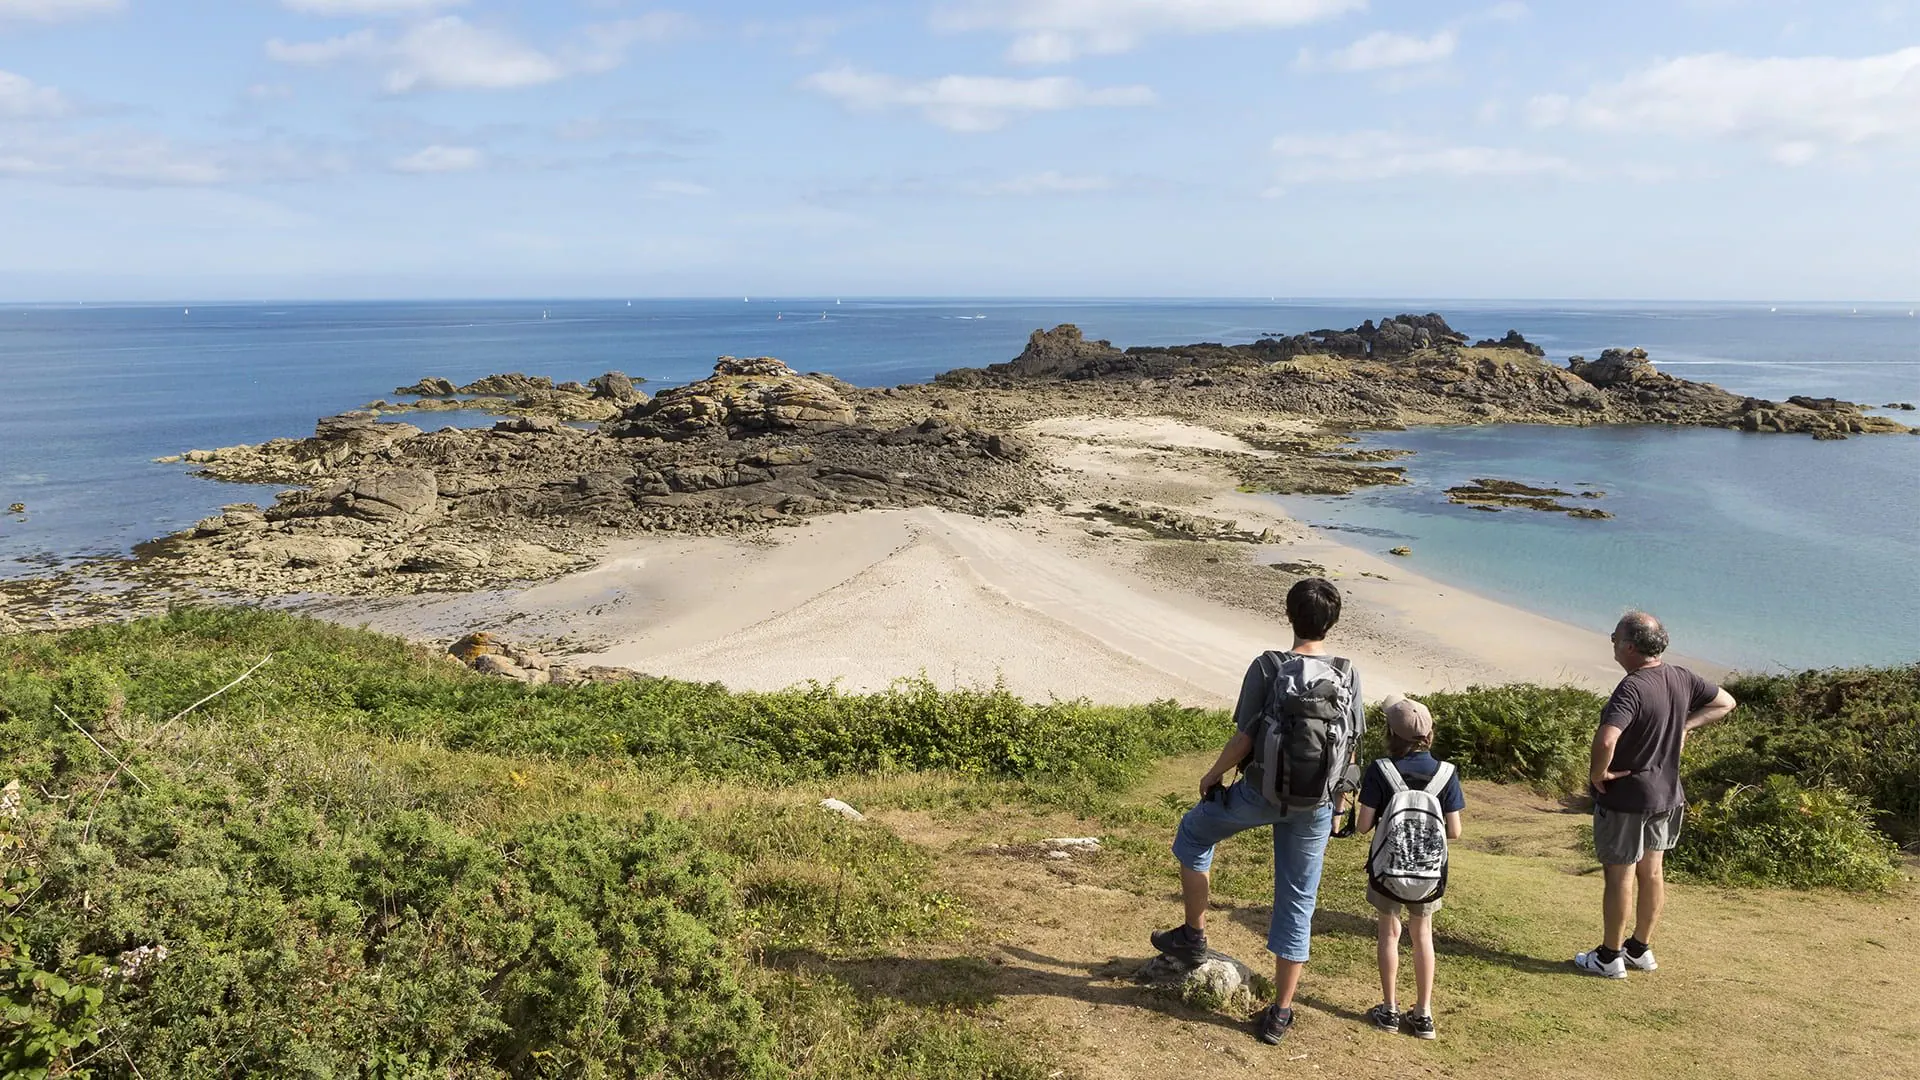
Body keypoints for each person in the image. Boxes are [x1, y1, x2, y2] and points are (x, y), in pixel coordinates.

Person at [1151, 577, 1364, 1045]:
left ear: (1289, 615)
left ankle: (1193, 936)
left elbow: (1245, 737)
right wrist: (1337, 808)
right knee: (1298, 900)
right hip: (1315, 806)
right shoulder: (1347, 673)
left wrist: (1212, 775)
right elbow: (1350, 749)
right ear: (1332, 623)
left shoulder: (1268, 665)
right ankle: (1281, 1012)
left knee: (1193, 834)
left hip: (1259, 794)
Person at [1574, 611, 1736, 978]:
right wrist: (1684, 727)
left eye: (1614, 636)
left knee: (1620, 876)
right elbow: (1725, 702)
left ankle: (1609, 956)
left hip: (1627, 798)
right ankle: (1639, 948)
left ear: (1630, 647)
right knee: (1652, 872)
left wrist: (1598, 774)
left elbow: (1607, 739)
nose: (1611, 641)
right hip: (1667, 796)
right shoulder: (1681, 676)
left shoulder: (1632, 687)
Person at [1356, 696, 1465, 1039]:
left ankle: (1389, 1010)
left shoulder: (1380, 770)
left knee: (1389, 934)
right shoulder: (1446, 773)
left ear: (1391, 733)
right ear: (1429, 734)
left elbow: (1363, 825)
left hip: (1388, 870)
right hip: (1428, 873)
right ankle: (1423, 1014)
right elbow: (1455, 831)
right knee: (1422, 936)